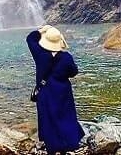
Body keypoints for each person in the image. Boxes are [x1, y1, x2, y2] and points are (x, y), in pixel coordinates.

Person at [26, 25, 85, 154]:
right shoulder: (66, 57)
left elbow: (30, 38)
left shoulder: (39, 54)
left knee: (47, 117)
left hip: (45, 91)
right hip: (62, 91)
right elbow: (73, 72)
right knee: (65, 116)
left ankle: (52, 147)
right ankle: (69, 143)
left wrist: (42, 30)